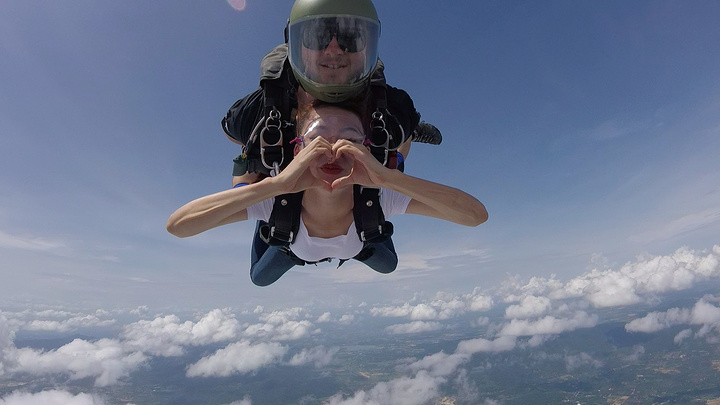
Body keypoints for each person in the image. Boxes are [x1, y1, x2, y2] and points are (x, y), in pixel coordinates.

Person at [168, 101, 488, 286]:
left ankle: (403, 136)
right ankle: (253, 152)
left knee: (395, 169)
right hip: (287, 240)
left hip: (357, 236)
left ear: (364, 149)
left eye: (348, 140)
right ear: (299, 150)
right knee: (258, 274)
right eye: (318, 140)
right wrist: (275, 186)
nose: (333, 150)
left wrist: (388, 179)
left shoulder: (376, 193)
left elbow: (475, 216)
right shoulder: (278, 196)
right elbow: (179, 226)